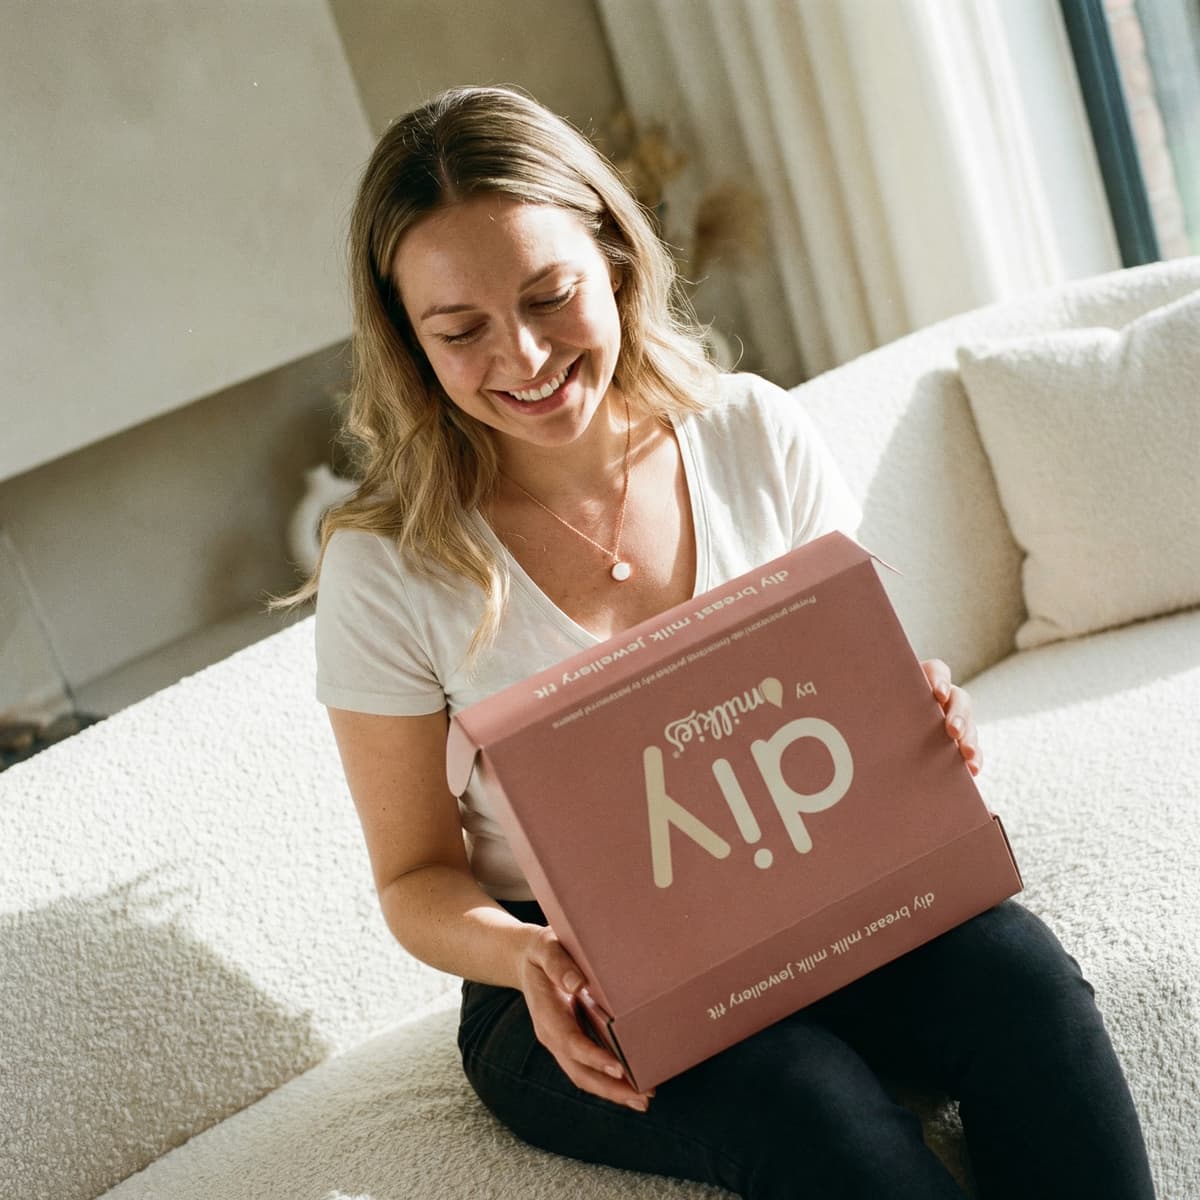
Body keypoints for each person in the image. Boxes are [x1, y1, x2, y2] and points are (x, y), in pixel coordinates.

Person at [287, 85, 1156, 1199]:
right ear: (410, 342)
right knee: (807, 1101)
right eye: (461, 332)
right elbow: (414, 876)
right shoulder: (389, 565)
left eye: (551, 296)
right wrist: (529, 958)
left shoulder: (749, 431)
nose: (525, 356)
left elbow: (861, 700)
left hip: (808, 893)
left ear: (612, 254)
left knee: (1022, 983)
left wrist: (921, 728)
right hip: (570, 971)